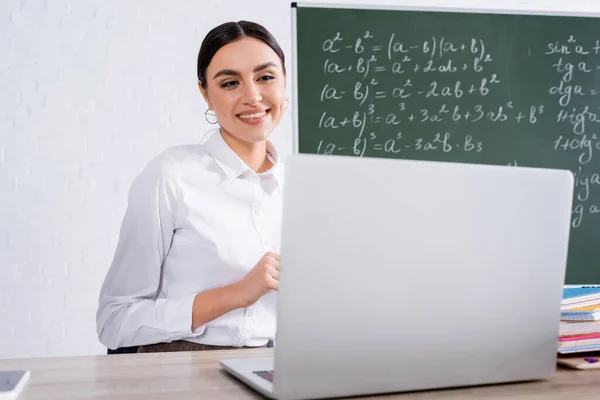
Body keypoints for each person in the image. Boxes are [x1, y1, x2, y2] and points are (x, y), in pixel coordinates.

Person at [96, 20, 288, 353]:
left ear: (285, 82)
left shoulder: (306, 188)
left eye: (266, 77)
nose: (253, 96)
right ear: (205, 93)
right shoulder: (171, 176)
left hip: (275, 365)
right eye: (230, 83)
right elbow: (114, 321)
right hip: (179, 366)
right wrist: (237, 294)